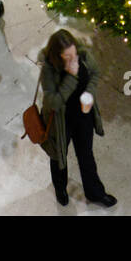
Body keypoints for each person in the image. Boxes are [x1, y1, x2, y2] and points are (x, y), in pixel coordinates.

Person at [39, 30, 117, 208]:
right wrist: (72, 77)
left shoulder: (81, 53)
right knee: (59, 157)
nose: (73, 59)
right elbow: (54, 102)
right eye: (67, 57)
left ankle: (95, 193)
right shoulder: (49, 70)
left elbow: (95, 73)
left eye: (74, 54)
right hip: (60, 122)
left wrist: (89, 93)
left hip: (83, 116)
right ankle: (60, 189)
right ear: (57, 57)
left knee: (86, 156)